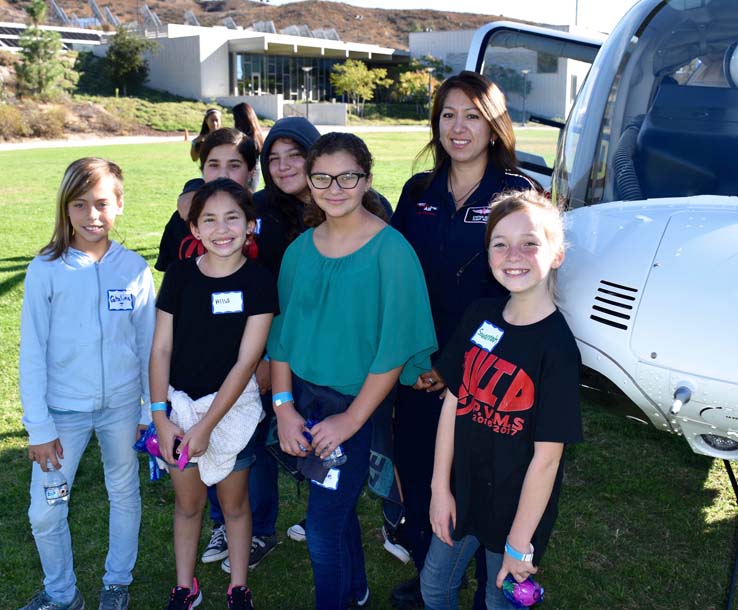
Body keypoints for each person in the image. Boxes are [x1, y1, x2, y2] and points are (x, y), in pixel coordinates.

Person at [267, 132, 437, 610]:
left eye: (347, 176)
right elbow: (281, 336)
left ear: (366, 179)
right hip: (302, 403)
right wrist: (282, 408)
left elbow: (394, 349)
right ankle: (356, 590)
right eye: (322, 176)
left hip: (354, 410)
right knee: (333, 516)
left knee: (320, 529)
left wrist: (351, 420)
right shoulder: (299, 251)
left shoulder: (391, 252)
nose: (334, 187)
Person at [389, 70, 538, 609]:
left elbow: (520, 294)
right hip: (416, 361)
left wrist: (453, 366)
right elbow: (398, 278)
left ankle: (486, 586)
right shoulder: (417, 191)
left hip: (484, 369)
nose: (458, 127)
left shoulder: (516, 194)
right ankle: (433, 573)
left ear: (494, 125)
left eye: (472, 115)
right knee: (418, 467)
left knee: (479, 481)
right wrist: (419, 358)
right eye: (448, 114)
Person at [420, 190, 583, 610]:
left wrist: (519, 540)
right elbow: (453, 403)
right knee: (434, 587)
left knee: (499, 600)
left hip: (516, 511)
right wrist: (440, 488)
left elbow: (547, 459)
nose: (514, 255)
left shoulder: (558, 350)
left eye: (530, 243)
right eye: (500, 244)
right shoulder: (480, 315)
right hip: (464, 490)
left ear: (557, 254)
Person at [18, 158, 155, 610]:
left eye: (101, 203)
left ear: (119, 204)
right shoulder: (46, 268)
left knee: (124, 493)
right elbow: (32, 351)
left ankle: (116, 582)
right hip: (61, 415)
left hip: (120, 409)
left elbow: (149, 345)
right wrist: (39, 428)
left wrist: (146, 411)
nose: (91, 215)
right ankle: (61, 594)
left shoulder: (134, 269)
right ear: (65, 207)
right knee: (46, 509)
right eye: (80, 204)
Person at [149, 178, 278, 610]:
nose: (222, 229)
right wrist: (161, 416)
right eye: (209, 220)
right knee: (187, 505)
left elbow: (246, 363)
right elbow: (161, 347)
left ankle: (238, 587)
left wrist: (208, 426)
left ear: (250, 225)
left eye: (232, 218)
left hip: (230, 413)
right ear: (194, 229)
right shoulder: (181, 276)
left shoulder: (260, 282)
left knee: (234, 503)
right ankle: (186, 587)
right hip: (179, 408)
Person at [156, 128, 258, 273]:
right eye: (214, 165)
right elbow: (170, 284)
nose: (223, 174)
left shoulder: (266, 214)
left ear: (250, 172)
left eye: (234, 165)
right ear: (202, 170)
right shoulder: (182, 218)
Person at [232, 102, 265, 192]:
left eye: (235, 118)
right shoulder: (256, 135)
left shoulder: (249, 139)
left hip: (250, 174)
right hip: (253, 173)